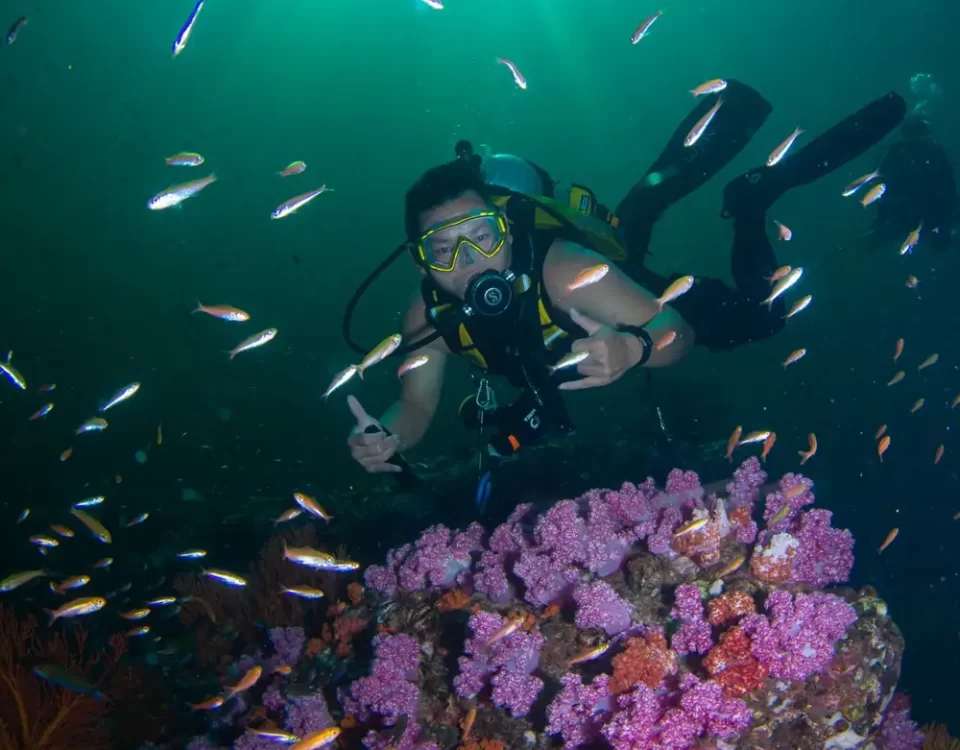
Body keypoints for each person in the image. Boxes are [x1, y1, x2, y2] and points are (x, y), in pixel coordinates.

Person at [344, 81, 907, 476]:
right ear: (421, 264)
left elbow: (675, 331)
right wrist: (387, 439)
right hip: (601, 278)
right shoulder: (428, 319)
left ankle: (754, 199)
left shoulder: (565, 272)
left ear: (509, 231)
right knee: (632, 223)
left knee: (764, 316)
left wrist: (635, 348)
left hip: (625, 290)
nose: (471, 263)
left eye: (484, 236)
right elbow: (415, 406)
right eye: (444, 251)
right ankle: (645, 203)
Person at [862, 115, 955, 251]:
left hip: (925, 210)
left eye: (919, 132)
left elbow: (948, 185)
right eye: (915, 132)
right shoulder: (897, 152)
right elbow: (880, 182)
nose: (918, 138)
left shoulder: (935, 152)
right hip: (901, 210)